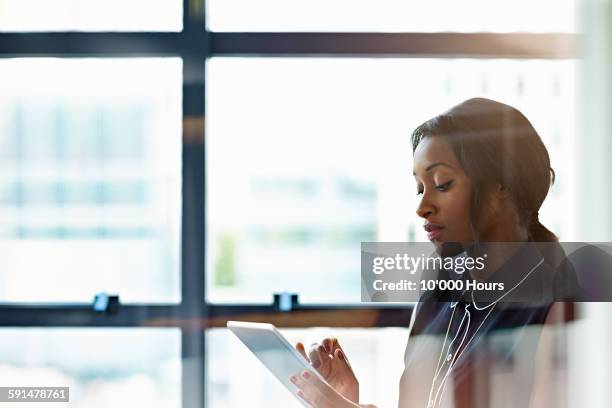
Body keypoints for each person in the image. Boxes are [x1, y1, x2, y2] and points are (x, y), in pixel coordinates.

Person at [288, 97, 583, 408]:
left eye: (442, 184)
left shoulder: (562, 303)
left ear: (502, 185)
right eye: (420, 188)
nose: (422, 207)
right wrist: (346, 399)